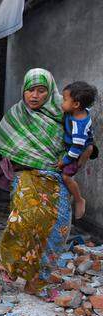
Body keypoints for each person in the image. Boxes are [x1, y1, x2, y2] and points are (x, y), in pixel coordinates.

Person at [0, 68, 72, 294]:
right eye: (30, 90)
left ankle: (37, 281)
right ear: (23, 91)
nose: (34, 96)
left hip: (57, 178)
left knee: (57, 229)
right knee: (22, 222)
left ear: (50, 91)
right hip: (25, 175)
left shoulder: (63, 112)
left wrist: (83, 154)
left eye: (40, 90)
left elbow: (83, 138)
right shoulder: (16, 114)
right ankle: (13, 267)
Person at [58, 81, 98, 219]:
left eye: (64, 100)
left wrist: (63, 162)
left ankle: (79, 199)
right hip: (84, 145)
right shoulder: (79, 111)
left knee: (66, 177)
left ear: (76, 104)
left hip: (77, 151)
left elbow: (76, 149)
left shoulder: (78, 127)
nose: (61, 103)